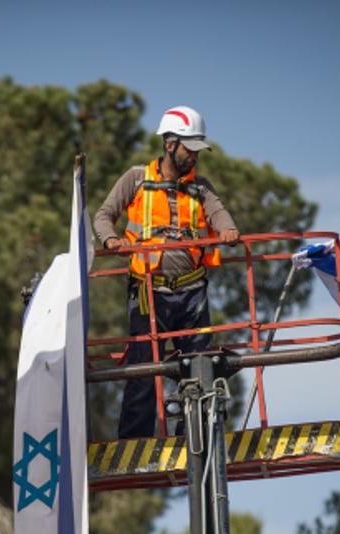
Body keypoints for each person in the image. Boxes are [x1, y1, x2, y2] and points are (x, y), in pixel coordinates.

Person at [94, 104, 240, 439]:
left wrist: (229, 231)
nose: (195, 157)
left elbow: (220, 216)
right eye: (190, 150)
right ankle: (135, 441)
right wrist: (111, 239)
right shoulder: (135, 179)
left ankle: (201, 436)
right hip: (148, 293)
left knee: (201, 370)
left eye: (198, 151)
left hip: (192, 294)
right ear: (170, 144)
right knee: (144, 370)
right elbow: (103, 215)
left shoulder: (201, 187)